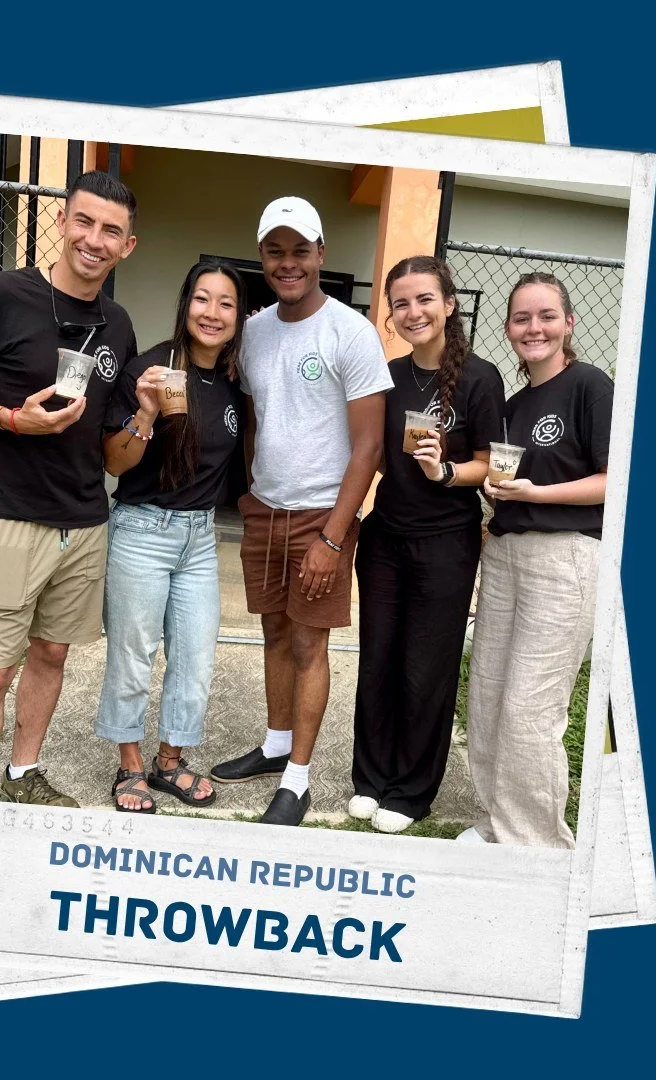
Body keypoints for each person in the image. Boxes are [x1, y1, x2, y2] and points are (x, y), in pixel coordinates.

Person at [0, 170, 139, 805]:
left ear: (127, 246)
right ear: (61, 223)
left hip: (83, 522)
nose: (94, 239)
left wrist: (150, 416)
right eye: (84, 221)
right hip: (5, 516)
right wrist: (10, 418)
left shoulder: (118, 324)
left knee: (51, 654)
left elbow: (113, 452)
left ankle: (23, 774)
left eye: (112, 231)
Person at [210, 196, 392, 827]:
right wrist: (249, 492)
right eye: (274, 251)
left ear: (320, 254)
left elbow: (369, 443)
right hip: (265, 509)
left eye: (299, 250)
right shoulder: (253, 330)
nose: (288, 263)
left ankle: (298, 780)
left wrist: (335, 538)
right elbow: (257, 415)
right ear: (263, 256)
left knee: (310, 643)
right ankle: (275, 744)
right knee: (272, 632)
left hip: (323, 515)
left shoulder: (351, 332)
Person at [350, 256, 505, 834]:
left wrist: (445, 471)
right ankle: (370, 778)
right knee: (379, 660)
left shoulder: (480, 378)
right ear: (390, 313)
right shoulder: (387, 375)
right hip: (386, 538)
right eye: (401, 303)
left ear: (449, 304)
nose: (412, 312)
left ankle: (411, 792)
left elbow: (489, 465)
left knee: (426, 670)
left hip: (446, 543)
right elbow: (366, 452)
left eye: (424, 300)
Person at [463, 271, 612, 848]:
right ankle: (497, 823)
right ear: (507, 329)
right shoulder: (515, 402)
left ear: (568, 323)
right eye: (522, 318)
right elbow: (504, 477)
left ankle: (539, 846)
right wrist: (498, 497)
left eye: (547, 316)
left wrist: (538, 494)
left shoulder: (590, 386)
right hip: (505, 554)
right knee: (492, 693)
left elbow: (613, 480)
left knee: (531, 708)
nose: (535, 328)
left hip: (565, 556)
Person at [95, 261, 247, 813]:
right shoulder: (150, 367)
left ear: (239, 316)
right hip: (142, 529)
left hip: (200, 538)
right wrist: (145, 411)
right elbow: (115, 462)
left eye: (225, 303)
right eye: (202, 299)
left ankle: (169, 761)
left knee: (196, 656)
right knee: (135, 655)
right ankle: (129, 764)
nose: (212, 313)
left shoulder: (235, 383)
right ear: (186, 305)